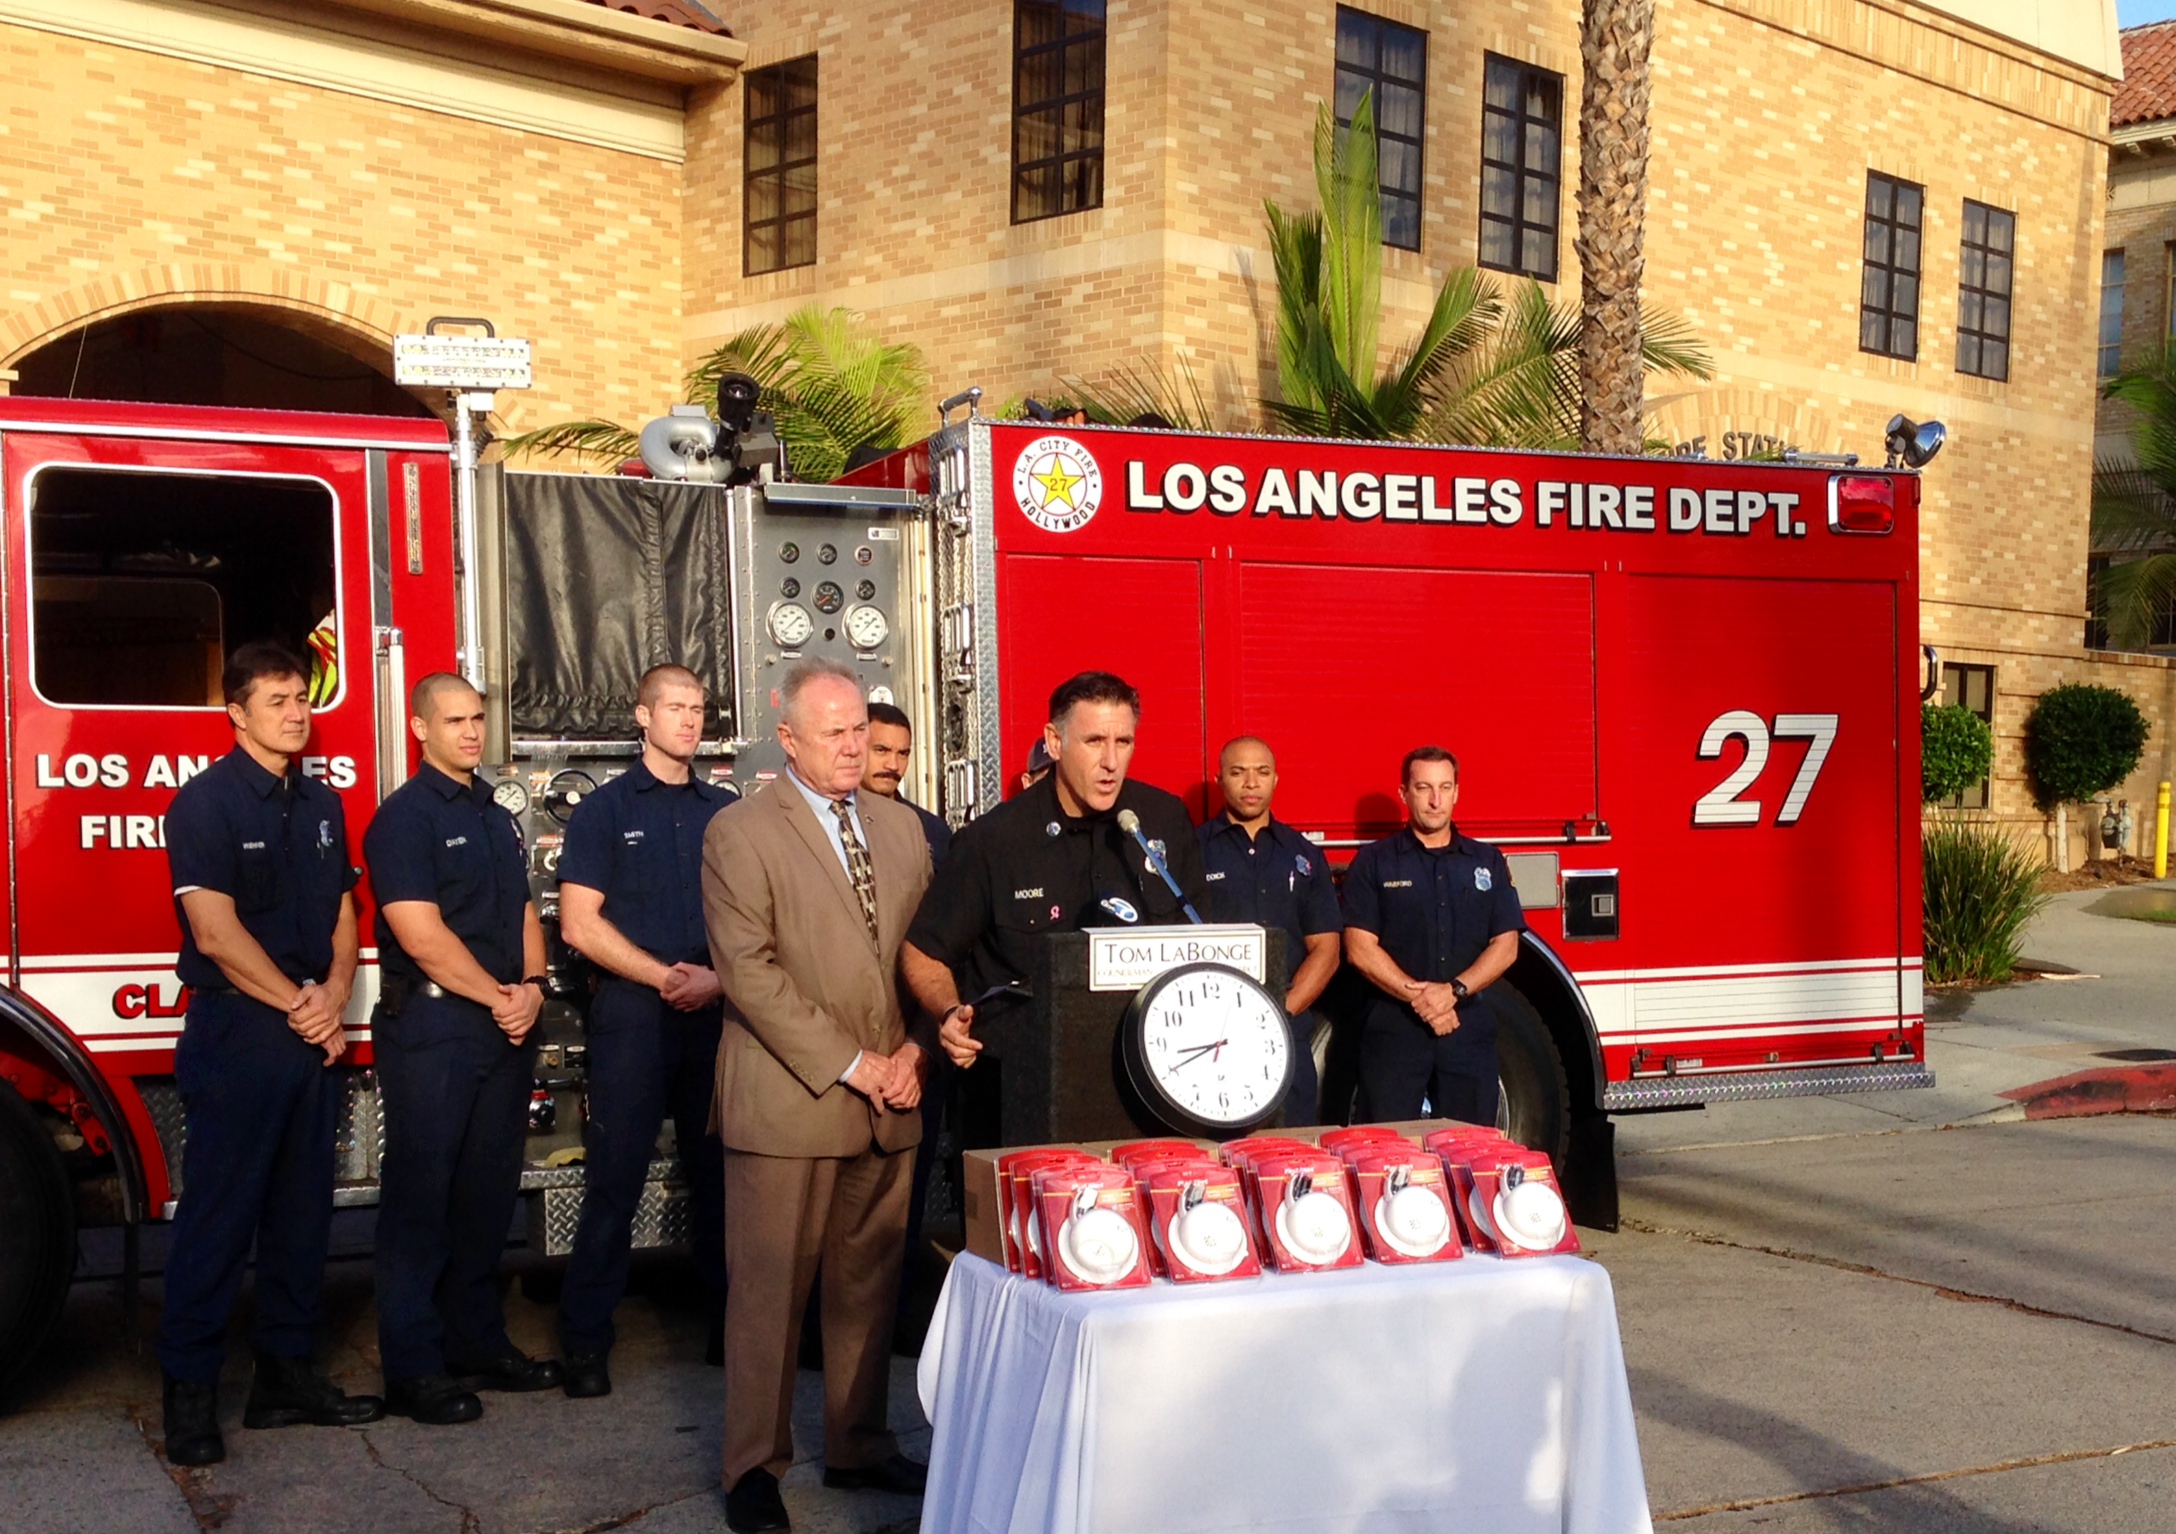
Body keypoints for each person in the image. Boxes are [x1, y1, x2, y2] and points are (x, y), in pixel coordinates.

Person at [702, 658, 933, 1534]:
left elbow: (923, 951)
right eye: (833, 731)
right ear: (789, 740)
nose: (854, 744)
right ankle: (752, 1468)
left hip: (894, 1096)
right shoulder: (741, 832)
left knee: (868, 1286)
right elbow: (749, 974)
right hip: (792, 1101)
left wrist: (914, 1048)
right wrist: (853, 1062)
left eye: (860, 728)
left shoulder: (904, 828)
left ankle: (859, 1442)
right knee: (769, 1294)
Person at [156, 643, 382, 1466]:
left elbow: (343, 913)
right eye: (278, 700)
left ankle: (284, 1381)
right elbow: (214, 934)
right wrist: (300, 1005)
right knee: (219, 1221)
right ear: (237, 712)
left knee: (300, 1217)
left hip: (307, 1027)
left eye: (301, 698)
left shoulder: (322, 804)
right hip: (241, 1031)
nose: (297, 712)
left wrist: (331, 992)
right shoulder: (204, 805)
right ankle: (188, 1396)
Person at [364, 673, 560, 1424]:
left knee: (485, 1196)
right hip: (438, 1029)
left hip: (504, 1021)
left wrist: (534, 986)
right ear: (419, 729)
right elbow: (421, 936)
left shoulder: (498, 815)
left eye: (479, 718)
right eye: (454, 720)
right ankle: (413, 1369)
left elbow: (522, 912)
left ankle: (476, 1342)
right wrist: (501, 997)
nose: (472, 732)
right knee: (422, 1200)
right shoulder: (403, 820)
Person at [902, 670, 1207, 1147]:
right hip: (1018, 1089)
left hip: (1147, 1087)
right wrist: (948, 1012)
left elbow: (1203, 939)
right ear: (1055, 741)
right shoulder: (995, 839)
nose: (1110, 761)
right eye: (1094, 741)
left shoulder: (1162, 821)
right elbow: (923, 951)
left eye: (1123, 741)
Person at [553, 665, 732, 1396]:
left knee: (722, 1179)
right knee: (614, 1181)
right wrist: (663, 978)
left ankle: (735, 1332)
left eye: (697, 709)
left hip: (716, 1010)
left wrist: (717, 980)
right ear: (642, 717)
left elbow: (755, 918)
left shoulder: (726, 811)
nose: (689, 721)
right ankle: (586, 1346)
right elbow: (578, 922)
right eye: (674, 708)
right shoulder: (603, 811)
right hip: (633, 1012)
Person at [1341, 747, 1525, 1125]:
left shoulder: (1486, 862)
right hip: (1395, 1033)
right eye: (1423, 787)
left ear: (1457, 792)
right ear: (1404, 793)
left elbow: (1506, 946)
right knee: (1389, 1154)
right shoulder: (1374, 862)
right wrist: (1421, 999)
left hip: (1466, 1029)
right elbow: (1359, 947)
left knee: (1471, 1152)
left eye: (1444, 787)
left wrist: (1452, 992)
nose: (1435, 800)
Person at [1195, 736, 1342, 1126]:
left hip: (1285, 1032)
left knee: (1291, 1153)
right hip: (1212, 1034)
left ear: (1276, 779)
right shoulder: (1191, 852)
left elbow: (1326, 950)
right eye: (1238, 772)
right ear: (1219, 779)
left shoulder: (1304, 856)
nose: (1250, 783)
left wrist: (1279, 1011)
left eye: (1261, 772)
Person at [865, 701, 951, 868]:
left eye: (903, 754)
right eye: (881, 750)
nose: (893, 765)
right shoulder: (835, 823)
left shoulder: (931, 830)